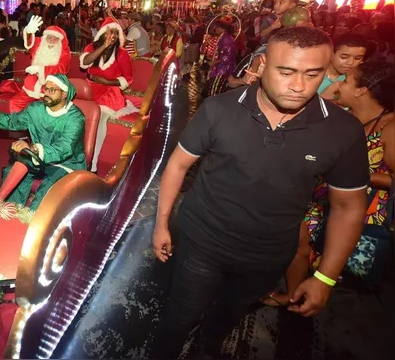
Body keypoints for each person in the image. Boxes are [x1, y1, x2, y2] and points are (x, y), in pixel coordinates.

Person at [152, 26, 370, 359]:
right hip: (202, 242)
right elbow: (178, 165)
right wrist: (162, 223)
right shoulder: (219, 109)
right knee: (180, 314)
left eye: (312, 74)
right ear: (262, 64)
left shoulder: (343, 130)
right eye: (286, 72)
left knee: (226, 317)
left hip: (267, 255)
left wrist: (326, 277)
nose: (298, 86)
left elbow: (348, 207)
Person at [265, 61, 395, 307]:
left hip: (357, 208)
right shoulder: (346, 115)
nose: (338, 84)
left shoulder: (390, 127)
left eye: (346, 81)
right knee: (300, 245)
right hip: (321, 198)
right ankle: (295, 294)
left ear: (361, 90)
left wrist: (353, 175)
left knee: (313, 250)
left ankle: (302, 296)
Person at [0, 74, 86, 210]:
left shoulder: (76, 118)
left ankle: (30, 222)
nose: (46, 93)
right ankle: (8, 210)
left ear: (64, 94)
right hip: (37, 158)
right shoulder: (35, 109)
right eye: (46, 88)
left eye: (52, 90)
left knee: (46, 193)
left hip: (65, 164)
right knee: (11, 173)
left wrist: (33, 148)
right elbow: (14, 121)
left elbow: (64, 148)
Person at [80, 16, 135, 172]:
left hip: (110, 93)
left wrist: (105, 81)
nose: (113, 36)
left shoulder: (122, 53)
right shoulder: (92, 47)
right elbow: (84, 63)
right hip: (90, 90)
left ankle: (93, 163)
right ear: (103, 33)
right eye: (110, 32)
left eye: (116, 33)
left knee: (101, 118)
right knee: (79, 117)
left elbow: (128, 79)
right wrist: (103, 47)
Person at [2, 16, 71, 113]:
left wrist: (40, 69)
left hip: (51, 89)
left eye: (55, 39)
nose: (51, 41)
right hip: (31, 85)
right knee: (15, 103)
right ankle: (19, 126)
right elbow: (29, 42)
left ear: (60, 41)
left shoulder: (64, 51)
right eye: (49, 37)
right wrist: (29, 31)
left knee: (42, 112)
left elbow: (62, 69)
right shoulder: (39, 43)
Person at [318, 33, 368, 98]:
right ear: (331, 54)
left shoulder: (357, 81)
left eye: (357, 58)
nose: (350, 63)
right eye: (344, 57)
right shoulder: (315, 74)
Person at [205, 20, 237, 97]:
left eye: (216, 28)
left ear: (221, 28)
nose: (214, 30)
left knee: (214, 92)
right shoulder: (223, 37)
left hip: (223, 70)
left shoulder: (226, 39)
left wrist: (214, 62)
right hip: (220, 68)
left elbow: (227, 57)